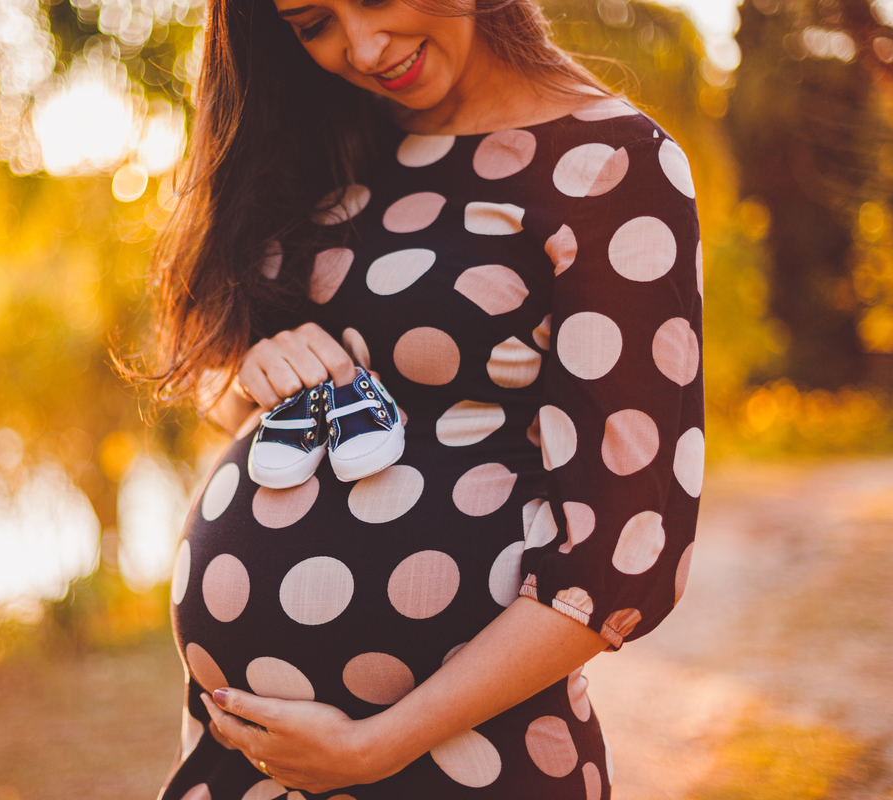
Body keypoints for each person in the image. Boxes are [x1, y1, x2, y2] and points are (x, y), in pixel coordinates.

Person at [144, 0, 704, 795]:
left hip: (460, 768)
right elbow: (228, 400)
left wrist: (379, 746)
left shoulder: (610, 165)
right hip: (242, 765)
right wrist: (254, 372)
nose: (362, 48)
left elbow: (621, 556)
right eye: (312, 24)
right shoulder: (331, 138)